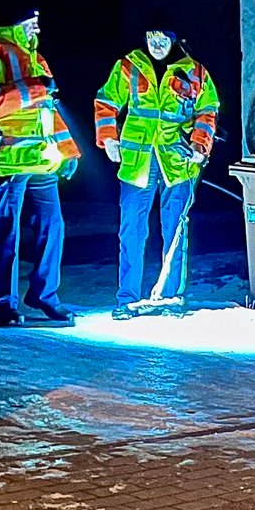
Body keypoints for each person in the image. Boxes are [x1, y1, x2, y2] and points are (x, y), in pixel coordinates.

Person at [0, 0, 80, 326]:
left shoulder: (34, 56)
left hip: (42, 161)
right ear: (14, 24)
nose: (37, 29)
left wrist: (68, 151)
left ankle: (44, 295)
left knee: (53, 228)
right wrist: (38, 87)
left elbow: (49, 112)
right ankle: (3, 306)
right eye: (31, 22)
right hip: (6, 162)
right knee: (6, 234)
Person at [95, 29, 220, 312]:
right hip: (137, 162)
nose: (157, 44)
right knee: (131, 231)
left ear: (174, 39)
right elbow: (106, 102)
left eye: (162, 38)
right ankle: (127, 298)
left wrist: (200, 145)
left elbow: (207, 111)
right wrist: (109, 139)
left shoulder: (195, 72)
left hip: (177, 163)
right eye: (151, 38)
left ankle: (170, 298)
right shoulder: (129, 66)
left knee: (175, 231)